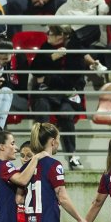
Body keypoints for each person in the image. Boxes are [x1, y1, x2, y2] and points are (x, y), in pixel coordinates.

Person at [30, 25, 87, 171]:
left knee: (66, 113)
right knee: (42, 108)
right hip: (47, 95)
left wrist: (48, 79)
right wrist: (51, 58)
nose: (47, 36)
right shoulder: (46, 47)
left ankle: (72, 155)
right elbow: (35, 71)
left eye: (51, 34)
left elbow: (72, 80)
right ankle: (41, 154)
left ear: (60, 36)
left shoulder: (74, 50)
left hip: (65, 95)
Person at [55, 0, 110, 72]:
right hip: (71, 49)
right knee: (73, 47)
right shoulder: (64, 9)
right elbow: (54, 30)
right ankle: (94, 64)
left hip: (95, 47)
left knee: (73, 46)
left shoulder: (103, 8)